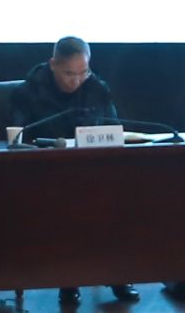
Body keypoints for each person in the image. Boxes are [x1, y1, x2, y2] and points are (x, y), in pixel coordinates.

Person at [8, 36, 139, 305]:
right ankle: (69, 278)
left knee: (122, 198)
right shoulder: (28, 92)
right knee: (71, 202)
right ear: (53, 64)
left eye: (83, 72)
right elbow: (19, 139)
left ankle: (119, 274)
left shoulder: (97, 88)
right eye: (69, 74)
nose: (77, 80)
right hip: (45, 176)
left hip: (93, 172)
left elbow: (113, 130)